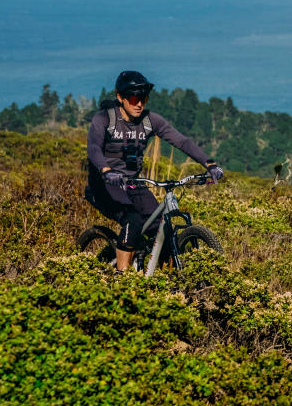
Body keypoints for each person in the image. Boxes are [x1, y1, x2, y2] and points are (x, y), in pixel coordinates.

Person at [85, 70, 224, 271]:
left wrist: (209, 164)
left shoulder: (150, 120)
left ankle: (161, 279)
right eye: (133, 98)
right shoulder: (104, 119)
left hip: (134, 183)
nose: (139, 103)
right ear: (120, 97)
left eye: (143, 98)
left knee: (161, 227)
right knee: (132, 220)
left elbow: (181, 141)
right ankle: (122, 280)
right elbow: (93, 148)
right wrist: (106, 170)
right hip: (105, 184)